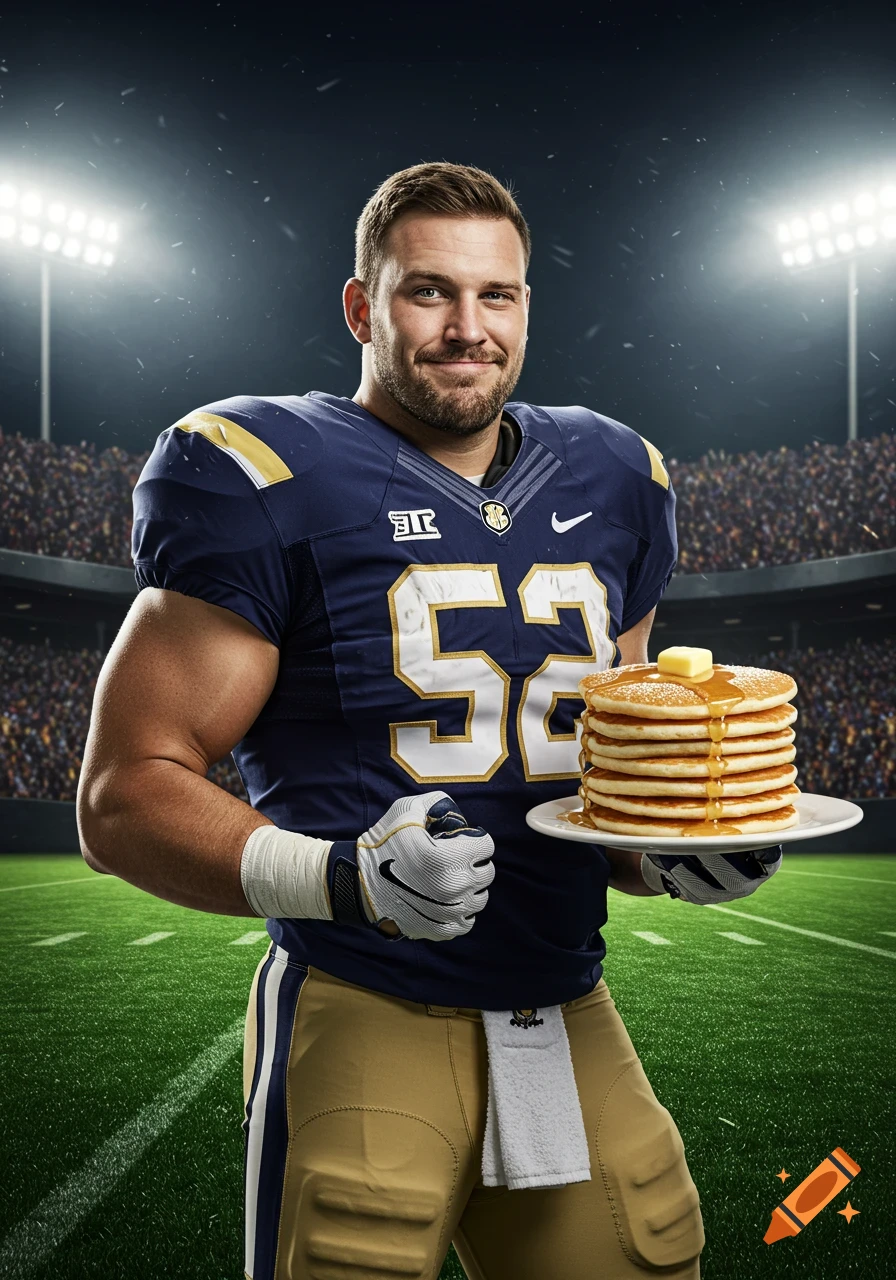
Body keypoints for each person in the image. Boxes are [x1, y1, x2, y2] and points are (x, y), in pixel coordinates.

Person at [77, 161, 782, 1280]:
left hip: (563, 996)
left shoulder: (614, 475)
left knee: (648, 1254)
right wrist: (345, 879)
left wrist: (674, 852)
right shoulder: (266, 471)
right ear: (362, 306)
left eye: (495, 295)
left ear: (525, 309)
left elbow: (614, 768)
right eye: (427, 292)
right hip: (363, 999)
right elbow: (124, 790)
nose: (467, 327)